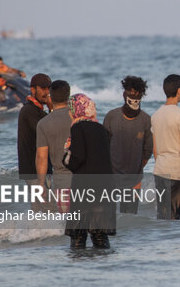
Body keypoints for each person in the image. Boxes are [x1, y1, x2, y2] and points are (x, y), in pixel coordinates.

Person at [63, 93, 116, 249]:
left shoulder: (78, 128)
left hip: (85, 187)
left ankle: (80, 272)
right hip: (104, 187)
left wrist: (66, 157)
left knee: (78, 237)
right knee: (100, 237)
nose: (69, 113)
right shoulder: (102, 129)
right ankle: (101, 268)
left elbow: (77, 158)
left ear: (76, 109)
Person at [151, 74, 180, 219]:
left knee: (162, 215)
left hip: (159, 170)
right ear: (179, 91)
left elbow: (155, 150)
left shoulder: (156, 115)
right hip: (175, 172)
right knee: (173, 217)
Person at [103, 76, 153, 214]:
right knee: (108, 217)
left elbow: (148, 150)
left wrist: (137, 167)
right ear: (124, 94)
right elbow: (103, 146)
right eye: (131, 93)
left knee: (130, 218)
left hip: (134, 179)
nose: (134, 97)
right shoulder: (111, 117)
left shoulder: (146, 120)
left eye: (138, 94)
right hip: (111, 177)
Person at [36, 80, 72, 213]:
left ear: (50, 96)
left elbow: (41, 157)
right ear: (68, 96)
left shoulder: (43, 123)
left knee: (67, 223)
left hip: (61, 180)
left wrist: (41, 184)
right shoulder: (78, 117)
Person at [17, 73, 52, 211]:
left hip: (36, 169)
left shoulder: (36, 110)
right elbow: (47, 132)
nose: (47, 92)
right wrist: (53, 109)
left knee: (41, 210)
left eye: (48, 88)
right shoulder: (29, 110)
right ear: (33, 89)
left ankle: (37, 231)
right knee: (47, 209)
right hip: (34, 170)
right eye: (43, 88)